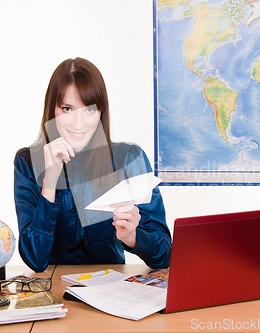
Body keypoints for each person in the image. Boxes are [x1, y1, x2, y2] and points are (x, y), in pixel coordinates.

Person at [13, 57, 172, 272]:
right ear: (52, 110)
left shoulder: (128, 158)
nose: (78, 124)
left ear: (101, 112)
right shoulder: (28, 161)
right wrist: (49, 182)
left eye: (89, 110)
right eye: (67, 109)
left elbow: (165, 256)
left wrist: (133, 237)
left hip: (112, 291)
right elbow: (35, 260)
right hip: (54, 291)